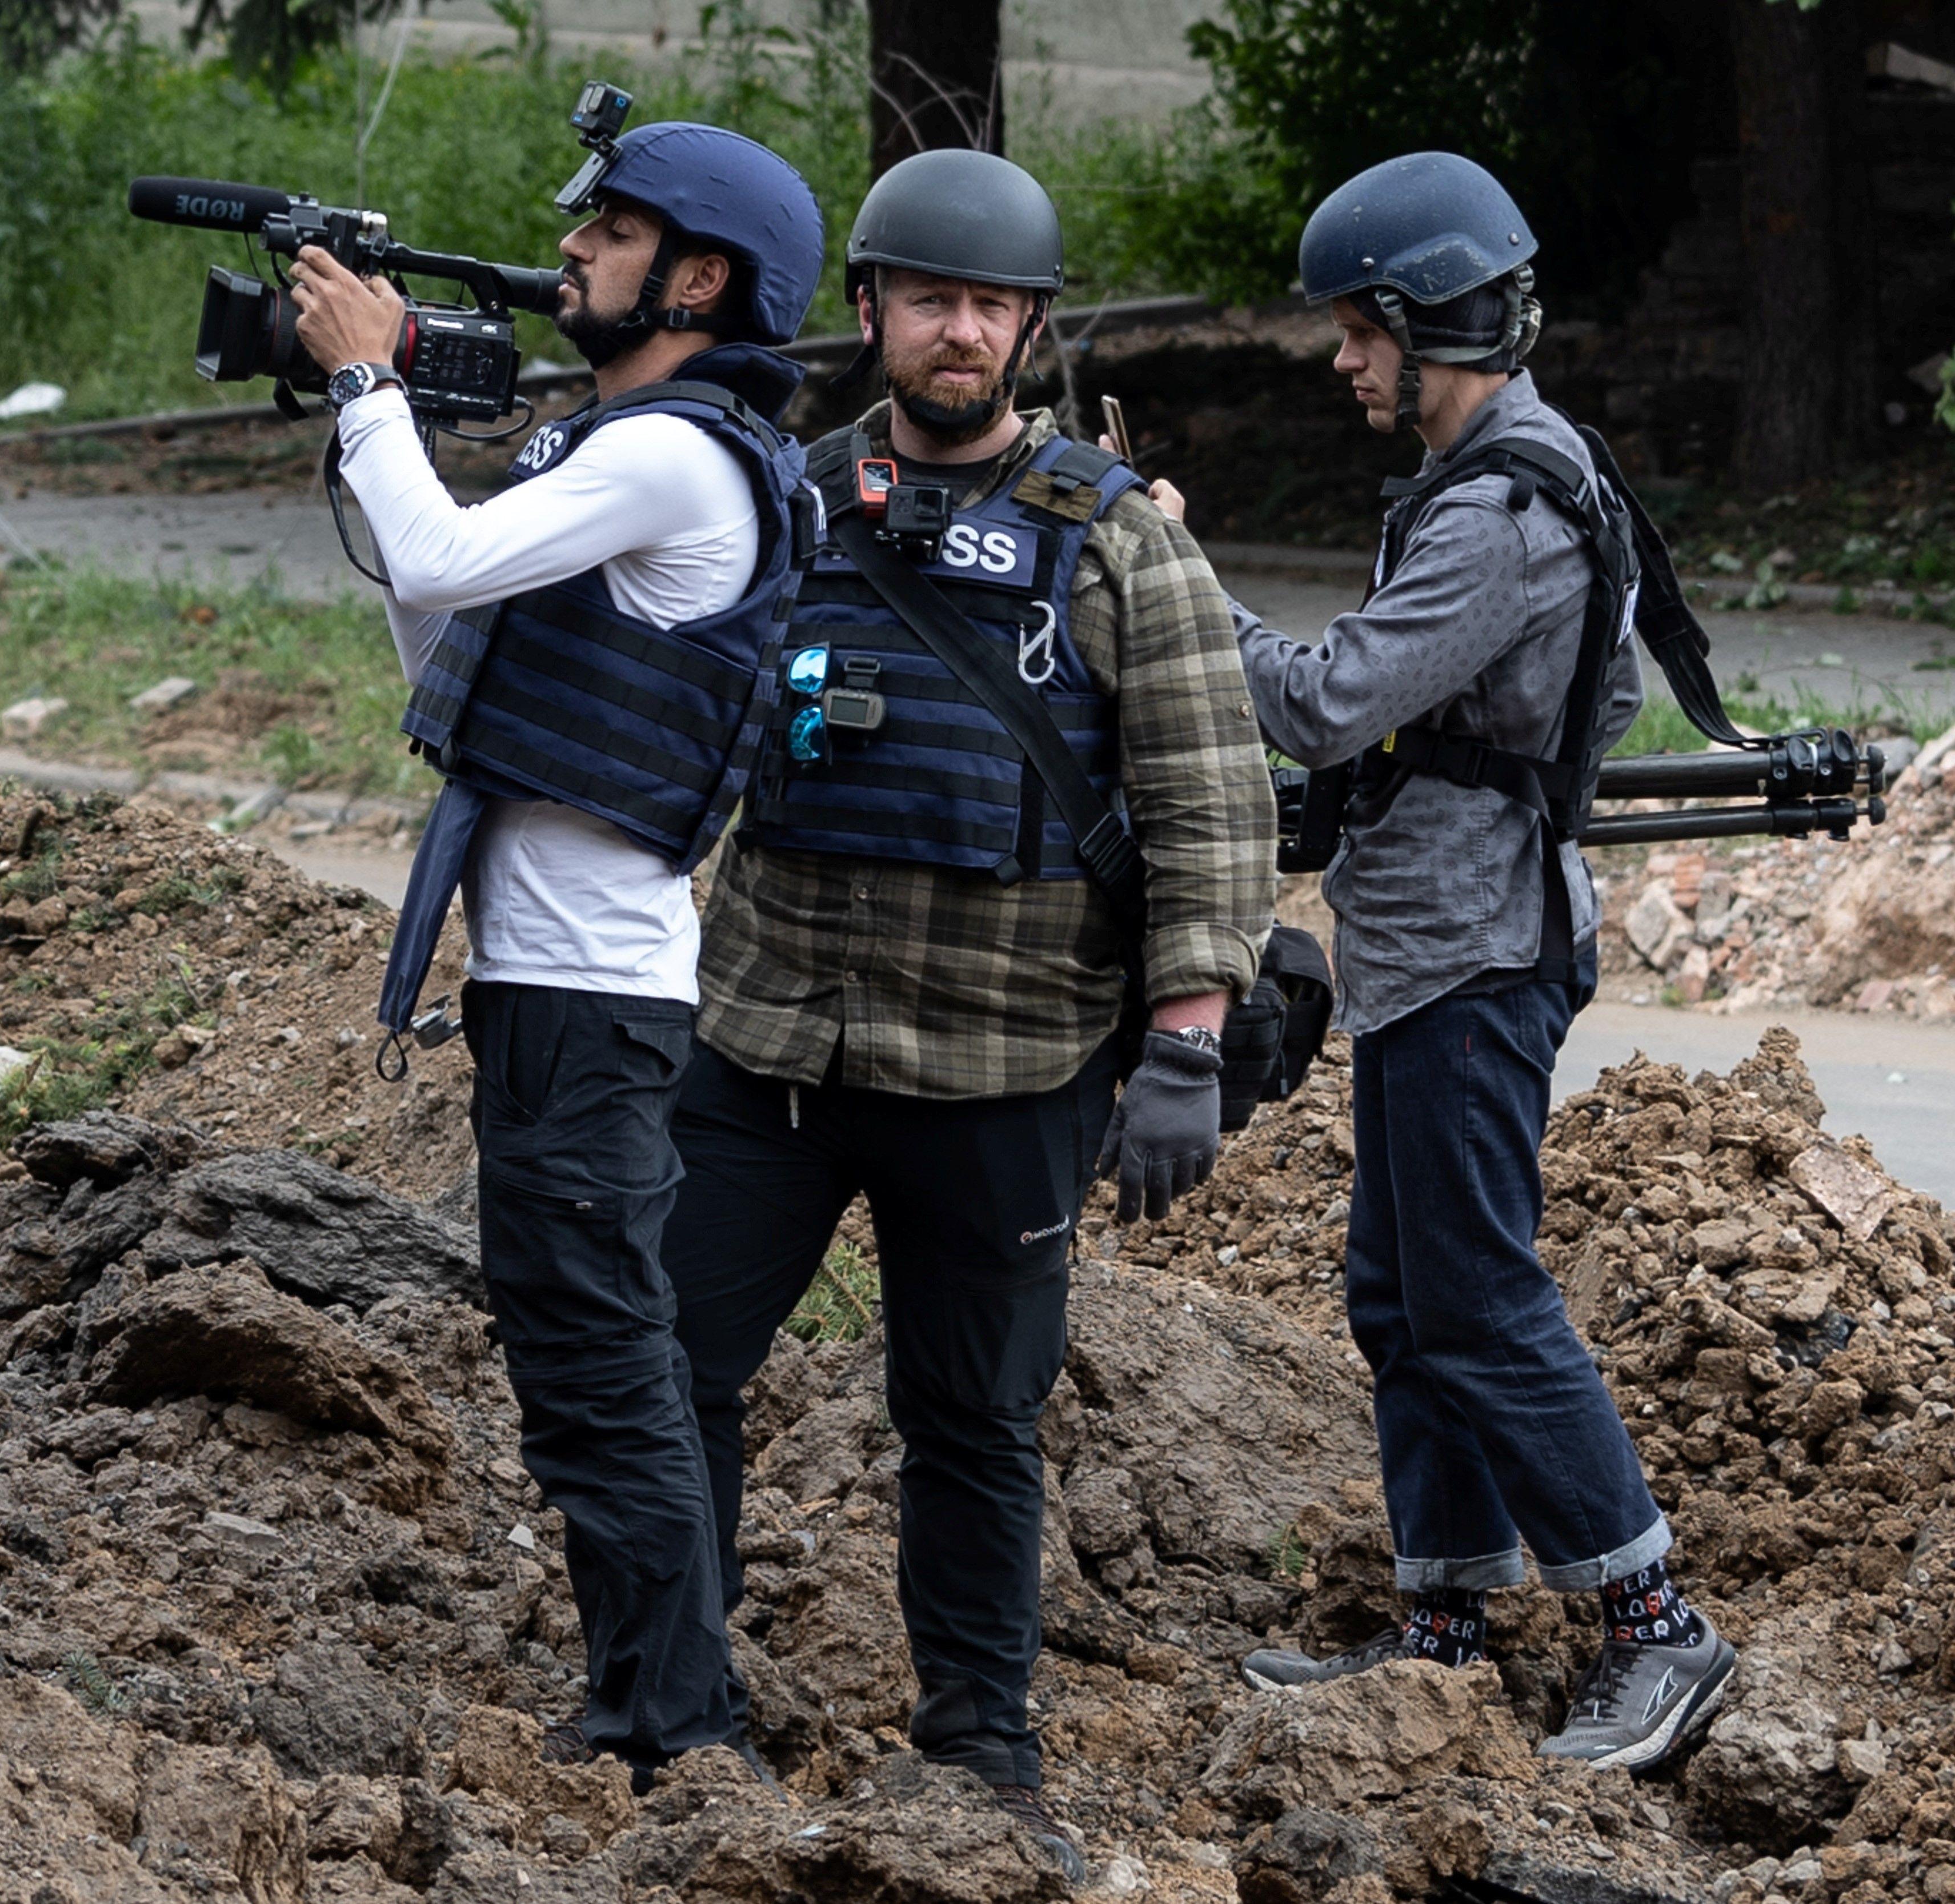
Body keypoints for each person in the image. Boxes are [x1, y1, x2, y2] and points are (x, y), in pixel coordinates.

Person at [657, 147, 1277, 1876]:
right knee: (671, 1366)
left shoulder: (1116, 542)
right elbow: (676, 732)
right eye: (929, 298)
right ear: (870, 310)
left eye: (991, 306)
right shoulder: (779, 496)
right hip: (772, 1041)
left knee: (976, 1420)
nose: (960, 331)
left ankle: (983, 1752)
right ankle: (671, 1706)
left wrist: (1185, 1040)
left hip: (1007, 1067)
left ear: (1029, 330)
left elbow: (1217, 796)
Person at [287, 113, 824, 1788]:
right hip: (544, 991)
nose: (575, 249)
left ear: (702, 277)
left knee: (606, 1367)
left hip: (598, 1008)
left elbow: (440, 547)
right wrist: (366, 427)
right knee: (577, 1360)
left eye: (613, 229)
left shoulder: (674, 456)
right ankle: (644, 1703)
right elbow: (444, 623)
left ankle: (680, 1724)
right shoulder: (604, 446)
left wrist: (374, 386)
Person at [1198, 151, 1737, 1774]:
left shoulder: (1506, 506)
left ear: (1440, 323)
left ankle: (1658, 1629)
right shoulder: (1501, 473)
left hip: (1476, 953)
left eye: (1362, 334)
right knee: (1402, 1294)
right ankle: (1444, 1629)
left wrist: (1172, 581)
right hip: (1442, 937)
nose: (1344, 363)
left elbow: (1318, 698)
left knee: (1481, 1296)